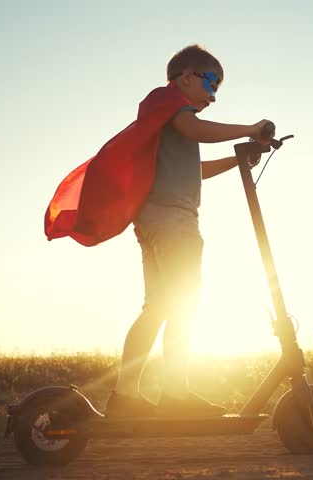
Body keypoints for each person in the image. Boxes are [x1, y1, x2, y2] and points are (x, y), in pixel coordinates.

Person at [104, 44, 273, 417]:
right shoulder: (167, 105)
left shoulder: (169, 119)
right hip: (172, 221)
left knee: (159, 307)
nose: (213, 96)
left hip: (156, 220)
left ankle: (125, 399)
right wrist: (250, 129)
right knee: (185, 305)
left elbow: (194, 170)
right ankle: (175, 396)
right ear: (185, 77)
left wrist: (238, 157)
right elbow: (195, 128)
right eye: (211, 83)